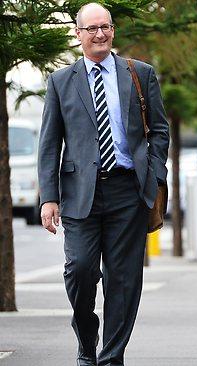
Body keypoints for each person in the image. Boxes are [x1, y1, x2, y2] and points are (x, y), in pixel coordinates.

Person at [38, 3, 169, 365]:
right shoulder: (61, 81)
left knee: (124, 282)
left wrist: (155, 174)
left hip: (128, 191)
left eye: (106, 27)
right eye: (92, 28)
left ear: (113, 31)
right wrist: (49, 197)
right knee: (79, 271)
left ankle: (111, 358)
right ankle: (86, 340)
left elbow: (159, 129)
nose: (100, 34)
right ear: (78, 34)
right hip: (80, 194)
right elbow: (50, 143)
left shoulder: (140, 73)